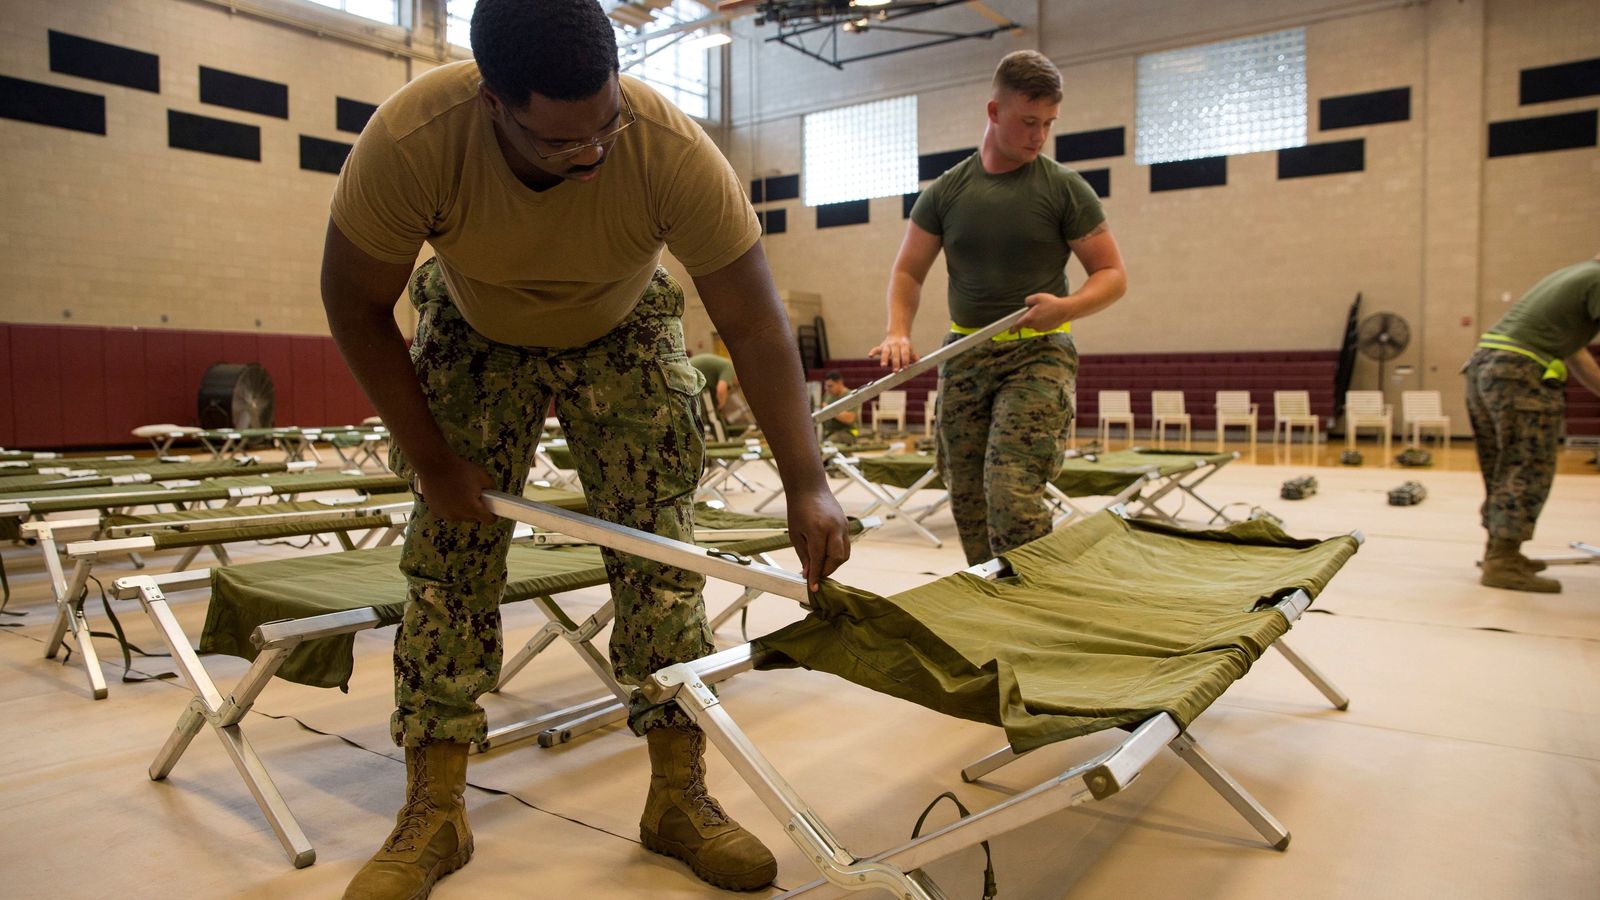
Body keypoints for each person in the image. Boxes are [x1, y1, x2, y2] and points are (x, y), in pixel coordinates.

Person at [319, 1, 850, 896]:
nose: (593, 154)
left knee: (662, 555)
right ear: (493, 103)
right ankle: (435, 807)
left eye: (605, 126)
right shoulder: (415, 140)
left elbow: (755, 324)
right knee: (450, 558)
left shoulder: (669, 148)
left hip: (622, 322)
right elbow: (354, 305)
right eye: (562, 144)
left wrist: (808, 482)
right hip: (474, 320)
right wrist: (435, 464)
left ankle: (678, 795)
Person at [870, 50, 1128, 565]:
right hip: (965, 353)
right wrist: (898, 329)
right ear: (994, 112)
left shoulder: (1064, 189)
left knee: (1011, 491)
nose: (1039, 136)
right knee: (966, 495)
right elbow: (908, 271)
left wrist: (1066, 307)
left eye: (1049, 124)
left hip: (1038, 353)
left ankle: (1034, 604)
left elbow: (1113, 275)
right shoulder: (946, 192)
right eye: (1029, 122)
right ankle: (991, 598)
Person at [1465, 254, 1600, 593]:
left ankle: (1501, 551)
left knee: (1504, 467)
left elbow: (1576, 353)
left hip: (1486, 366)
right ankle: (1502, 562)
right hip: (1519, 372)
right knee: (1528, 467)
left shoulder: (1574, 275)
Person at [819, 370, 860, 445]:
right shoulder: (828, 395)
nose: (827, 389)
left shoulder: (850, 396)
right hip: (829, 433)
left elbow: (849, 419)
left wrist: (829, 409)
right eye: (826, 386)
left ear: (840, 383)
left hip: (847, 433)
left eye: (830, 386)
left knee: (829, 444)